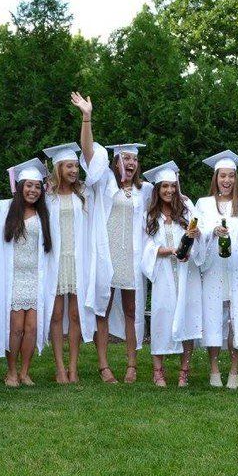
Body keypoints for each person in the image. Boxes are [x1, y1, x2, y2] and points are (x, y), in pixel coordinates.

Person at [43, 93, 108, 383]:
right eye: (67, 166)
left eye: (75, 166)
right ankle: (59, 367)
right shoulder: (47, 197)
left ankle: (73, 367)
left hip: (79, 260)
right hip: (56, 262)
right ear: (58, 169)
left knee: (76, 315)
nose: (73, 170)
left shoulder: (86, 193)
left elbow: (89, 152)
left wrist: (86, 118)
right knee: (57, 315)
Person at [0, 159, 58, 386]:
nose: (33, 190)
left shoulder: (44, 214)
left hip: (35, 277)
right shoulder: (4, 210)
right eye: (28, 185)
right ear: (19, 187)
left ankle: (25, 371)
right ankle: (11, 372)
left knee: (31, 328)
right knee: (15, 329)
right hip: (14, 277)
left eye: (37, 186)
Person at [85, 138, 150, 384]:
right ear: (115, 162)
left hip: (132, 258)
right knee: (103, 308)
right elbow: (89, 155)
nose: (130, 163)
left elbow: (168, 202)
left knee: (132, 311)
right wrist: (86, 120)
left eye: (134, 159)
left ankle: (132, 365)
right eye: (125, 158)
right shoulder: (104, 184)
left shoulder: (146, 190)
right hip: (108, 256)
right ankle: (104, 366)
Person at [195, 150, 238, 389]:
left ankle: (233, 370)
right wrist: (212, 231)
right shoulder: (204, 204)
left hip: (236, 269)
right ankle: (214, 369)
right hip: (214, 268)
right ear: (216, 177)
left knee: (236, 318)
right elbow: (198, 231)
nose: (227, 180)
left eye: (231, 176)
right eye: (223, 175)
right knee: (212, 316)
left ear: (236, 178)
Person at [141, 161, 205, 386]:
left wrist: (196, 237)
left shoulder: (187, 211)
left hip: (187, 274)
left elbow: (200, 237)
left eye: (172, 186)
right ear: (157, 190)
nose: (169, 190)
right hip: (164, 274)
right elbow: (146, 247)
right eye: (164, 186)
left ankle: (184, 371)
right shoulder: (150, 216)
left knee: (187, 318)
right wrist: (170, 251)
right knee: (161, 320)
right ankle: (158, 371)